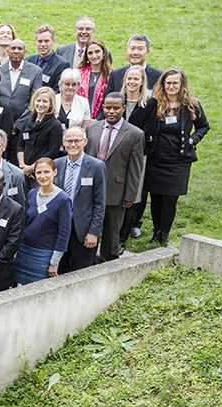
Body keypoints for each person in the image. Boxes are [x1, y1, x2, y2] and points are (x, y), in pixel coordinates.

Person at [143, 69, 209, 245]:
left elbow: (203, 127)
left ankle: (164, 234)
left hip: (179, 161)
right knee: (156, 197)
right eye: (168, 83)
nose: (171, 86)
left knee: (171, 198)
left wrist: (192, 140)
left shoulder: (191, 105)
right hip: (156, 159)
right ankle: (155, 233)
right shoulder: (155, 103)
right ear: (163, 84)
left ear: (182, 85)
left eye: (175, 83)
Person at [86, 94, 145, 260]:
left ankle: (109, 262)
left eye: (116, 108)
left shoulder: (135, 134)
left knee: (111, 232)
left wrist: (131, 195)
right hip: (91, 188)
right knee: (90, 229)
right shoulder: (93, 128)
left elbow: (135, 168)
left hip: (116, 191)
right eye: (107, 108)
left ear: (123, 108)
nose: (111, 111)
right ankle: (88, 262)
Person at [54, 127, 106, 272]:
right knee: (59, 270)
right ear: (64, 143)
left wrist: (94, 232)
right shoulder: (56, 164)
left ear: (85, 142)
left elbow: (100, 203)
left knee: (82, 271)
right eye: (69, 141)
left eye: (77, 141)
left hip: (83, 232)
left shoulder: (97, 166)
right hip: (60, 229)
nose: (73, 145)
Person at [16, 158, 73, 284]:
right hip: (24, 251)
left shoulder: (63, 200)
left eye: (46, 172)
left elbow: (64, 233)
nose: (42, 176)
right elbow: (24, 222)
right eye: (39, 173)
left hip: (44, 255)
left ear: (55, 172)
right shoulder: (32, 193)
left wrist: (54, 262)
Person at [120, 66, 158, 243]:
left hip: (137, 155)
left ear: (142, 81)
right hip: (117, 155)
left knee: (133, 196)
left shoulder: (150, 103)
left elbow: (149, 131)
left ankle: (125, 234)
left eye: (136, 79)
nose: (132, 82)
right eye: (129, 78)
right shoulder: (118, 99)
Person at [14, 86, 64, 189]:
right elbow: (20, 145)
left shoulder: (55, 125)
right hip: (23, 171)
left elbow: (52, 152)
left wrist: (32, 168)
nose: (41, 104)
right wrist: (22, 166)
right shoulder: (27, 121)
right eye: (38, 100)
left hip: (41, 174)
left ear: (51, 104)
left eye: (45, 101)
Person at [0, 39, 43, 124]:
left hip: (25, 123)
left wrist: (19, 124)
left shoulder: (35, 72)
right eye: (13, 48)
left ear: (25, 51)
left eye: (20, 49)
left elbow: (35, 100)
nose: (16, 51)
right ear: (7, 51)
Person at [26, 25, 69, 92]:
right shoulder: (28, 61)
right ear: (35, 42)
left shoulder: (62, 65)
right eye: (40, 41)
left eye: (46, 41)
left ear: (53, 41)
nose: (43, 44)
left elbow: (58, 90)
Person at [76, 40, 111, 119]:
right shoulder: (79, 73)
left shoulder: (111, 75)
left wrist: (97, 120)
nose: (94, 56)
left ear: (104, 54)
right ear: (86, 56)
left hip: (102, 119)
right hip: (80, 117)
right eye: (90, 53)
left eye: (97, 51)